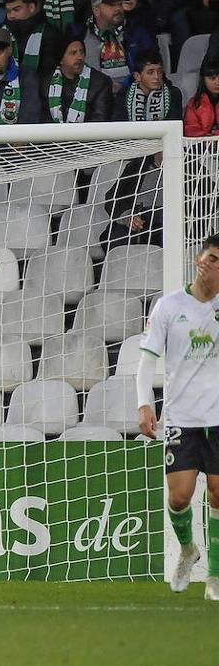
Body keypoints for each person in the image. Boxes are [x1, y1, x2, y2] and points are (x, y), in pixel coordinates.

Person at [137, 234, 219, 601]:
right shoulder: (169, 307)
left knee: (218, 493)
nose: (214, 265)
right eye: (211, 258)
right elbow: (147, 360)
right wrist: (144, 403)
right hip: (180, 418)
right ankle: (187, 551)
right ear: (199, 260)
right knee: (181, 498)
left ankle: (214, 577)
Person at [84, 0, 154, 84]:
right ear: (96, 11)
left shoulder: (136, 32)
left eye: (119, 4)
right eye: (111, 5)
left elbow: (152, 66)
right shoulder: (82, 34)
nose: (118, 9)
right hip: (95, 93)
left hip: (132, 91)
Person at [42, 38, 114, 123]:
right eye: (73, 53)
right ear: (61, 59)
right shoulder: (47, 83)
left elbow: (99, 120)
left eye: (82, 52)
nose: (79, 57)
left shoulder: (101, 82)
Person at [3, 0, 65, 80]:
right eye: (8, 11)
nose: (11, 15)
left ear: (31, 7)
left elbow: (51, 72)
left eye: (16, 10)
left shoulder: (50, 34)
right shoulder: (0, 32)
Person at [113, 49, 182, 122]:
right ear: (137, 76)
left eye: (159, 71)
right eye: (150, 72)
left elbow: (174, 126)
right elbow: (119, 126)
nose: (156, 77)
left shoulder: (173, 93)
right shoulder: (124, 94)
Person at [184, 58, 219, 137]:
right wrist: (209, 136)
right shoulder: (194, 103)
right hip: (202, 145)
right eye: (212, 78)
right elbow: (190, 129)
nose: (217, 82)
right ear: (203, 80)